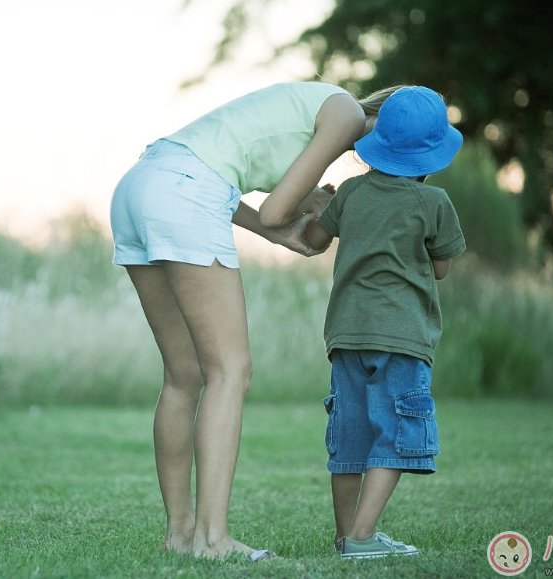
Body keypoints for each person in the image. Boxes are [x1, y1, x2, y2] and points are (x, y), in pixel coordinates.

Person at [109, 81, 404, 559]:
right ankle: (212, 540)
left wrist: (286, 225)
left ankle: (181, 535)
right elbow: (273, 208)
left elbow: (233, 192)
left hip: (142, 185)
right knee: (231, 370)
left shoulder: (321, 103)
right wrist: (313, 211)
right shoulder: (346, 114)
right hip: (186, 194)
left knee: (184, 376)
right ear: (393, 127)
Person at [303, 86, 466, 559]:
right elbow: (440, 267)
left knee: (349, 437)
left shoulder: (351, 191)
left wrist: (321, 203)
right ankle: (361, 538)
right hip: (402, 336)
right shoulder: (433, 202)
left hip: (346, 334)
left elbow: (315, 237)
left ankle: (344, 535)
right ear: (431, 155)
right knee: (393, 434)